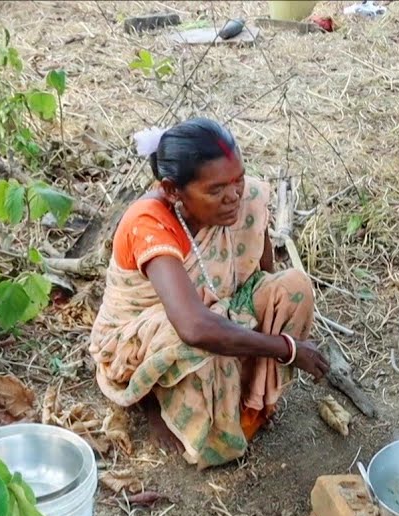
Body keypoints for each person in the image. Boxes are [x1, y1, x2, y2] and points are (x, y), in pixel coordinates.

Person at [89, 118, 329, 468]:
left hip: (214, 309)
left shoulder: (245, 201)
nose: (233, 196)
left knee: (293, 289)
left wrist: (261, 326)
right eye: (216, 190)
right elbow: (193, 327)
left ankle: (248, 401)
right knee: (199, 331)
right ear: (172, 190)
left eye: (238, 180)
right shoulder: (150, 223)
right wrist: (287, 349)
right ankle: (156, 402)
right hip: (142, 337)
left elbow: (262, 276)